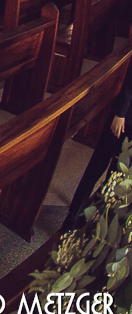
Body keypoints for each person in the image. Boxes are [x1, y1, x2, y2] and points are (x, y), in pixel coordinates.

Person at [64, 71, 132, 230]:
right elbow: (129, 83)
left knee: (116, 175)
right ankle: (72, 217)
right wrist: (120, 113)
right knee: (97, 165)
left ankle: (96, 220)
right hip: (122, 118)